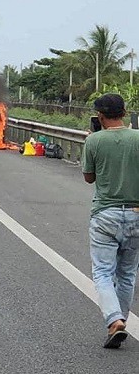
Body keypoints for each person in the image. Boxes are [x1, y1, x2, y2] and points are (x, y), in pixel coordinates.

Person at [82, 93, 139, 348]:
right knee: (127, 274)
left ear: (100, 116)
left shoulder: (94, 141)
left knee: (103, 273)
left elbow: (89, 178)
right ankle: (120, 321)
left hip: (105, 215)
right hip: (137, 214)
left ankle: (114, 320)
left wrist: (90, 142)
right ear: (124, 113)